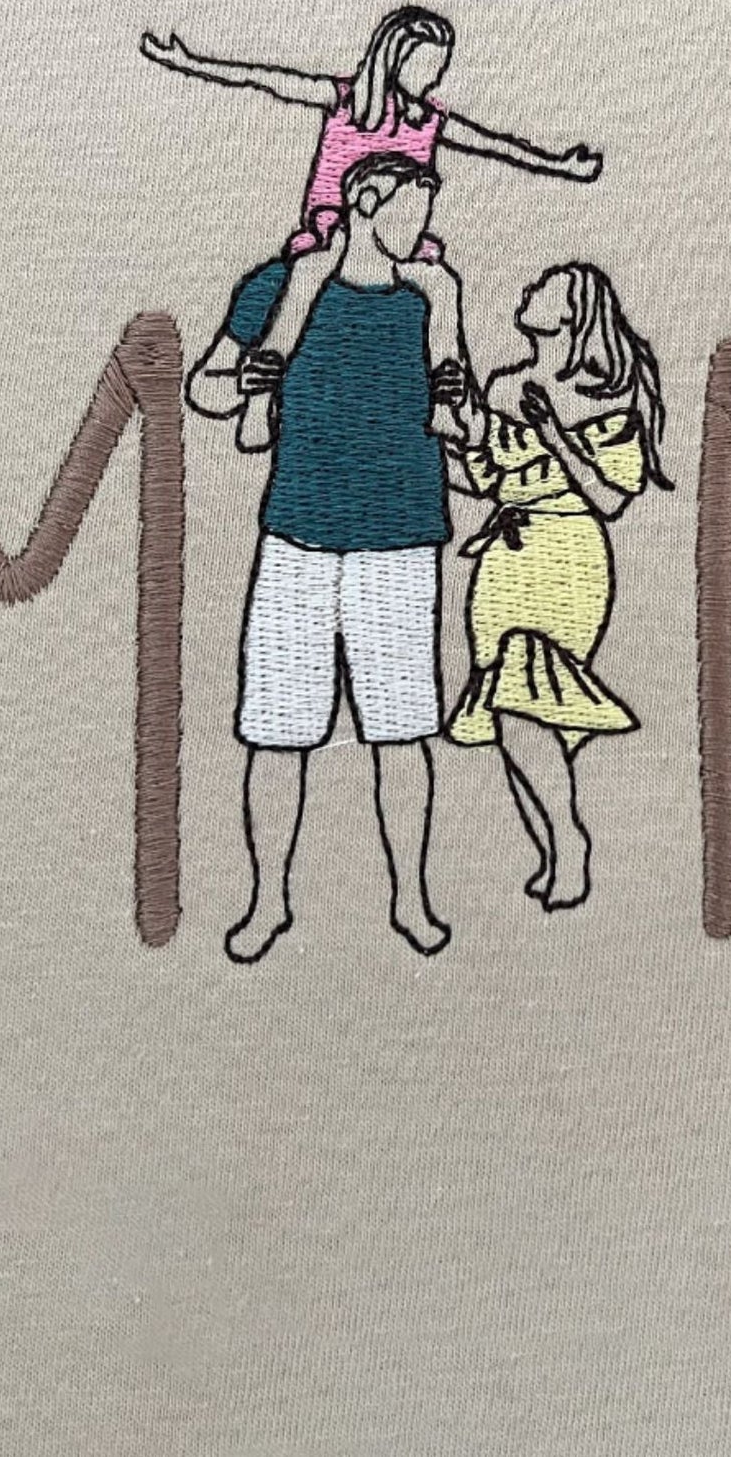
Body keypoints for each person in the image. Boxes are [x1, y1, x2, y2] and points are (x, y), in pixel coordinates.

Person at [194, 152, 475, 961]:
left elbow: (459, 419)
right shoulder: (283, 285)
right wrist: (248, 380)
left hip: (401, 536)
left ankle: (411, 899)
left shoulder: (431, 297)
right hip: (299, 535)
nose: (421, 228)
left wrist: (460, 402)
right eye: (409, 209)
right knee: (277, 730)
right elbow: (206, 387)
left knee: (403, 730)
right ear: (367, 202)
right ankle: (267, 900)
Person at [442, 264, 670, 910]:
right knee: (511, 713)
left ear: (573, 314)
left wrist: (553, 434)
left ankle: (568, 844)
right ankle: (550, 849)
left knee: (522, 699)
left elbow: (610, 496)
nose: (529, 290)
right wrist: (454, 420)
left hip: (565, 556)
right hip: (502, 563)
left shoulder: (608, 393)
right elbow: (484, 480)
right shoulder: (504, 383)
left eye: (546, 287)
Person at [139, 6, 604, 268]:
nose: (434, 79)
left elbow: (494, 144)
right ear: (395, 59)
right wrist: (190, 63)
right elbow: (264, 79)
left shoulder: (429, 121)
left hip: (399, 240)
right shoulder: (345, 101)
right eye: (427, 67)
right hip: (334, 232)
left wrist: (558, 164)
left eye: (440, 69)